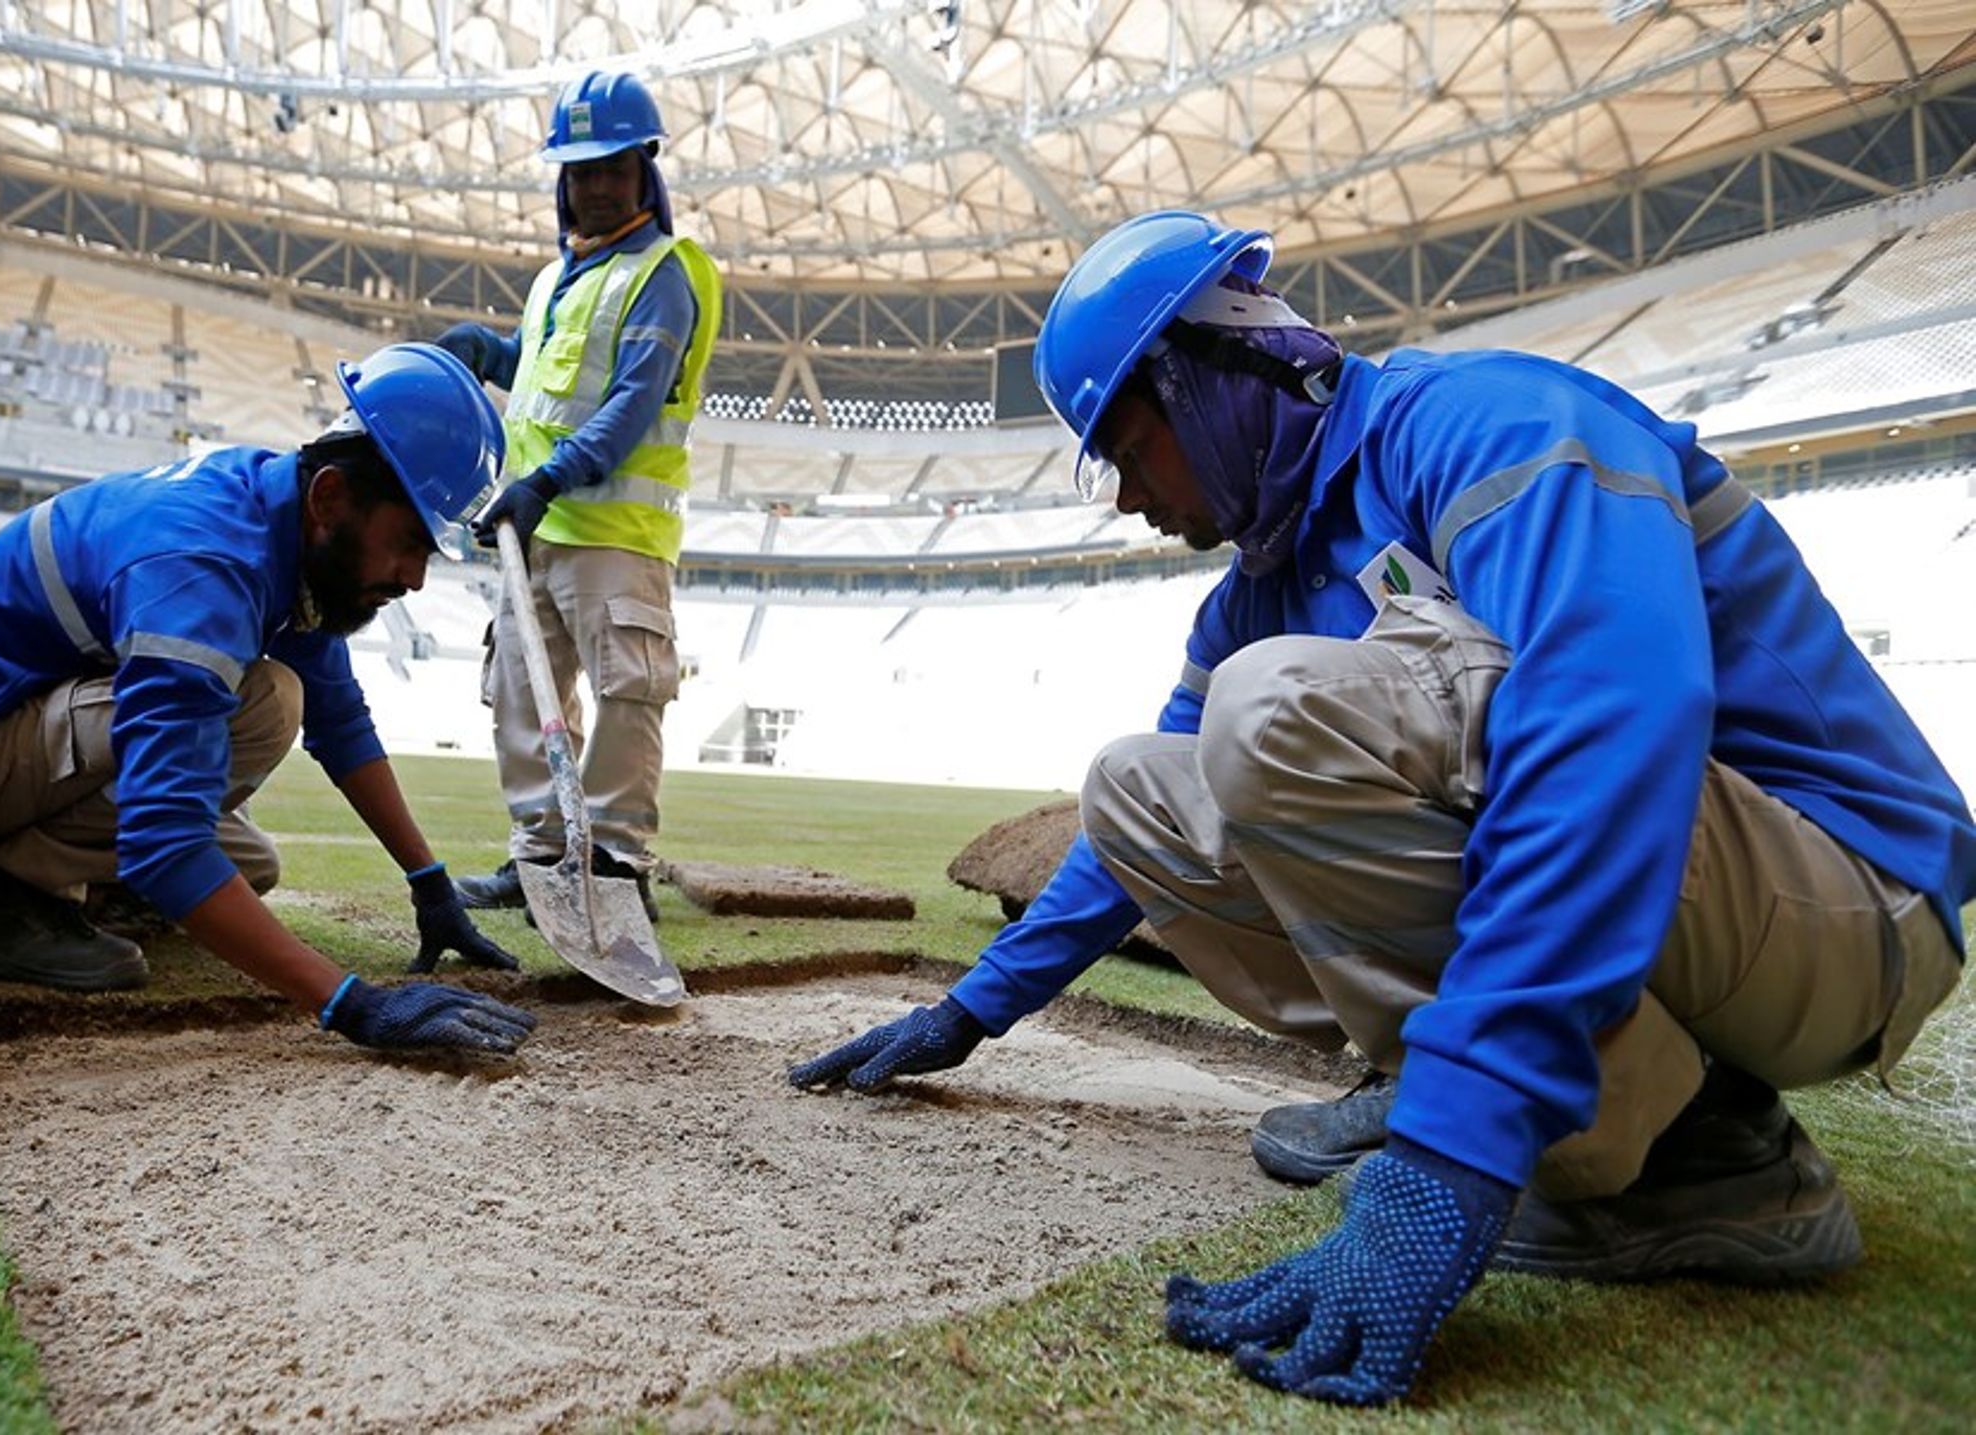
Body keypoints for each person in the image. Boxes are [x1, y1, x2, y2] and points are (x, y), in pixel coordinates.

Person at [789, 211, 1972, 1405]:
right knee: (1138, 784)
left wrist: (1451, 1152)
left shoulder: (1484, 423)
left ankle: (1685, 1155)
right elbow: (1132, 843)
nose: (1126, 499)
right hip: (1703, 906)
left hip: (1849, 908)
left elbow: (1612, 729)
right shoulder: (1261, 586)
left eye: (1126, 449)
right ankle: (1597, 1099)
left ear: (1204, 381)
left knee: (1274, 707)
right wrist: (974, 1007)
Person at [0, 343, 535, 1058]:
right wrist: (354, 1004)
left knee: (248, 864)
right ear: (330, 497)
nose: (416, 580)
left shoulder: (284, 525)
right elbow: (162, 840)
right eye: (408, 544)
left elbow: (341, 722)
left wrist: (429, 883)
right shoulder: (202, 564)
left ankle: (31, 874)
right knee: (264, 705)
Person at [435, 69, 724, 920]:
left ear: (645, 170)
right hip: (535, 526)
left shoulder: (665, 274)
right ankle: (540, 856)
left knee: (628, 693)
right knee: (521, 691)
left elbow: (631, 409)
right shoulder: (556, 276)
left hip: (615, 534)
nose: (594, 186)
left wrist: (545, 481)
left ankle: (615, 862)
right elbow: (540, 369)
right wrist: (486, 352)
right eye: (579, 170)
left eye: (611, 167)